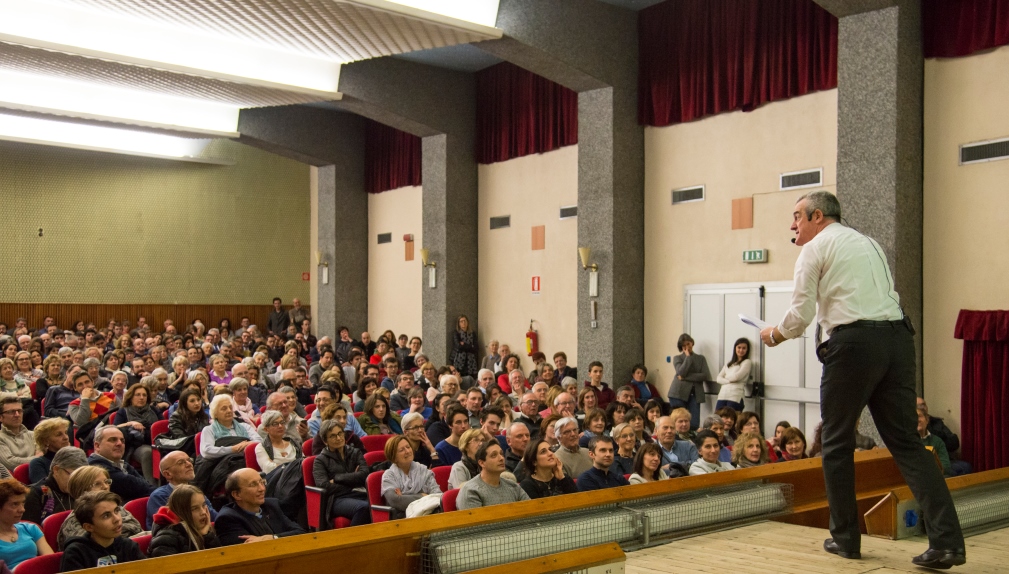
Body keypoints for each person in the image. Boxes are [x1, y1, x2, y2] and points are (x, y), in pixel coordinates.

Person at [759, 190, 965, 567]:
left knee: (836, 441)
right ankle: (947, 543)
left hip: (853, 344)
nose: (792, 225)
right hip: (898, 341)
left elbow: (800, 315)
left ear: (817, 216)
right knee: (907, 443)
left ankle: (845, 539)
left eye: (797, 216)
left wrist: (774, 334)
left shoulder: (815, 248)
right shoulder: (869, 243)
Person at [58, 466, 144, 549]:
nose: (106, 487)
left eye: (106, 482)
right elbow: (93, 549)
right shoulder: (75, 522)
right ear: (82, 491)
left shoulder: (118, 508)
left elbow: (138, 530)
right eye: (97, 484)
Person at [215, 468, 305, 545]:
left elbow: (300, 533)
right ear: (237, 495)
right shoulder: (227, 519)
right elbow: (248, 550)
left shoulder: (272, 505)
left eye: (262, 482)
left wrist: (273, 537)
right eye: (253, 484)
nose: (262, 489)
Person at [60, 491, 145, 570]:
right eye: (106, 516)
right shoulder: (76, 554)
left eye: (116, 511)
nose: (117, 519)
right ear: (89, 527)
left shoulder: (129, 546)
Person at [312, 419, 371, 526]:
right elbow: (324, 485)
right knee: (364, 508)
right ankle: (352, 537)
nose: (338, 438)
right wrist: (352, 482)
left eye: (340, 433)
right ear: (325, 441)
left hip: (360, 493)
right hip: (337, 499)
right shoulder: (320, 460)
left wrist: (337, 478)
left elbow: (364, 475)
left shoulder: (355, 452)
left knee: (380, 505)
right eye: (333, 436)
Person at [146, 451, 218, 529]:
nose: (189, 464)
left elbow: (214, 518)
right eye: (181, 462)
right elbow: (170, 528)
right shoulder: (159, 496)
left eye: (189, 460)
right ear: (168, 474)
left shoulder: (195, 491)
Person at [148, 484, 221, 557]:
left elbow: (219, 559)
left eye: (203, 505)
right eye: (195, 508)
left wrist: (207, 536)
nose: (203, 512)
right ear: (181, 512)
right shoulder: (165, 539)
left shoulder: (204, 530)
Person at [87, 426, 155, 503]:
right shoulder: (96, 467)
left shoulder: (122, 464)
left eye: (122, 441)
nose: (119, 443)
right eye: (113, 440)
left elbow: (145, 486)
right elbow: (140, 487)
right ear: (97, 446)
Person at [380, 435, 442, 519]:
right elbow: (395, 500)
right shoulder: (389, 476)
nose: (407, 451)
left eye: (408, 447)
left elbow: (437, 495)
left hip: (429, 513)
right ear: (394, 457)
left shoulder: (423, 470)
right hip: (402, 518)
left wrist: (404, 496)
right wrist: (422, 495)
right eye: (402, 450)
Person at [24, 447, 87, 525]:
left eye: (80, 476)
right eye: (73, 475)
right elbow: (29, 530)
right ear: (56, 470)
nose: (77, 481)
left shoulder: (80, 491)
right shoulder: (35, 494)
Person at [456, 442, 529, 509]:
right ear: (482, 463)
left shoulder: (513, 486)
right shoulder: (471, 490)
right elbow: (475, 519)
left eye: (501, 454)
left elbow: (531, 511)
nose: (501, 458)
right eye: (494, 455)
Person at [111, 383, 159, 484]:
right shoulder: (123, 411)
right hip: (134, 445)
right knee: (147, 452)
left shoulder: (154, 410)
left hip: (156, 442)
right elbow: (114, 429)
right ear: (131, 397)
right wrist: (130, 423)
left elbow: (163, 428)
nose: (141, 397)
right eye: (138, 395)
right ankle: (151, 486)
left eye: (144, 395)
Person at [0, 477, 53, 568]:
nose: (22, 510)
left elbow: (51, 561)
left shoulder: (31, 528)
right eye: (15, 504)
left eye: (23, 503)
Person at [200, 395, 261, 460]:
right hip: (222, 464)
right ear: (215, 414)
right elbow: (207, 451)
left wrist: (248, 444)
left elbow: (260, 441)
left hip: (246, 460)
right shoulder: (209, 430)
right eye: (224, 408)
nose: (229, 411)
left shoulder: (245, 426)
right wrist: (232, 449)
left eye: (230, 407)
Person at [255, 410, 302, 475]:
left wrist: (278, 465)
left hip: (298, 476)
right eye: (275, 424)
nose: (280, 426)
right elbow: (268, 469)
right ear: (266, 429)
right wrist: (295, 465)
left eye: (282, 422)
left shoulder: (293, 442)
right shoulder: (261, 447)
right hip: (277, 479)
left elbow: (303, 462)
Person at [0, 394, 35, 475]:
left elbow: (45, 457)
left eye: (19, 411)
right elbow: (10, 463)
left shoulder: (34, 435)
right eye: (11, 412)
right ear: (1, 417)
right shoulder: (1, 438)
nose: (17, 415)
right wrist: (36, 459)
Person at [715, 338, 752, 412]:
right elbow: (718, 379)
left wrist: (724, 378)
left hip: (735, 396)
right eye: (739, 347)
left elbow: (736, 377)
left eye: (744, 348)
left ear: (747, 350)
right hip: (723, 395)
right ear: (735, 348)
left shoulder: (747, 362)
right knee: (718, 417)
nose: (741, 350)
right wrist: (729, 381)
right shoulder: (729, 363)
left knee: (732, 417)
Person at [917, 407, 951, 477]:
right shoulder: (906, 442)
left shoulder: (937, 441)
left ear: (927, 420)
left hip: (935, 477)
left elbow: (946, 466)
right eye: (914, 417)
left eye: (919, 416)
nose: (917, 420)